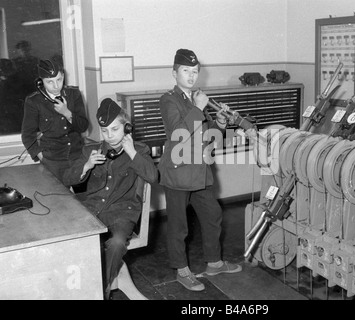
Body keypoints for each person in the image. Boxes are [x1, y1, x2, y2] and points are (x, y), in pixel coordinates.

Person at [158, 48, 242, 292]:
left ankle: (214, 262)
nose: (192, 76)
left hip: (200, 171)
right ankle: (182, 270)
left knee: (212, 215)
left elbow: (207, 136)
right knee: (179, 225)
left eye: (195, 71)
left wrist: (221, 124)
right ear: (174, 73)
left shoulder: (195, 99)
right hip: (179, 172)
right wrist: (198, 108)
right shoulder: (169, 100)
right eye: (186, 71)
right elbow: (178, 133)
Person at [63, 98, 159, 299]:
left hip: (122, 213)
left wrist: (132, 152)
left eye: (115, 130)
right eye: (104, 131)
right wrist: (86, 166)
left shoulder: (139, 150)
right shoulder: (91, 150)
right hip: (92, 210)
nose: (110, 136)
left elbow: (153, 176)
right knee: (68, 237)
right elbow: (67, 178)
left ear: (127, 127)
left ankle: (101, 291)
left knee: (115, 243)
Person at [21, 58, 89, 192]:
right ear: (41, 82)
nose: (56, 86)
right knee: (59, 201)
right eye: (49, 82)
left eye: (59, 80)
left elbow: (83, 126)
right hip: (53, 161)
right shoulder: (34, 101)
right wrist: (41, 156)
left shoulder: (74, 95)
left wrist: (67, 112)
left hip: (77, 158)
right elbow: (27, 135)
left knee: (83, 199)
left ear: (63, 77)